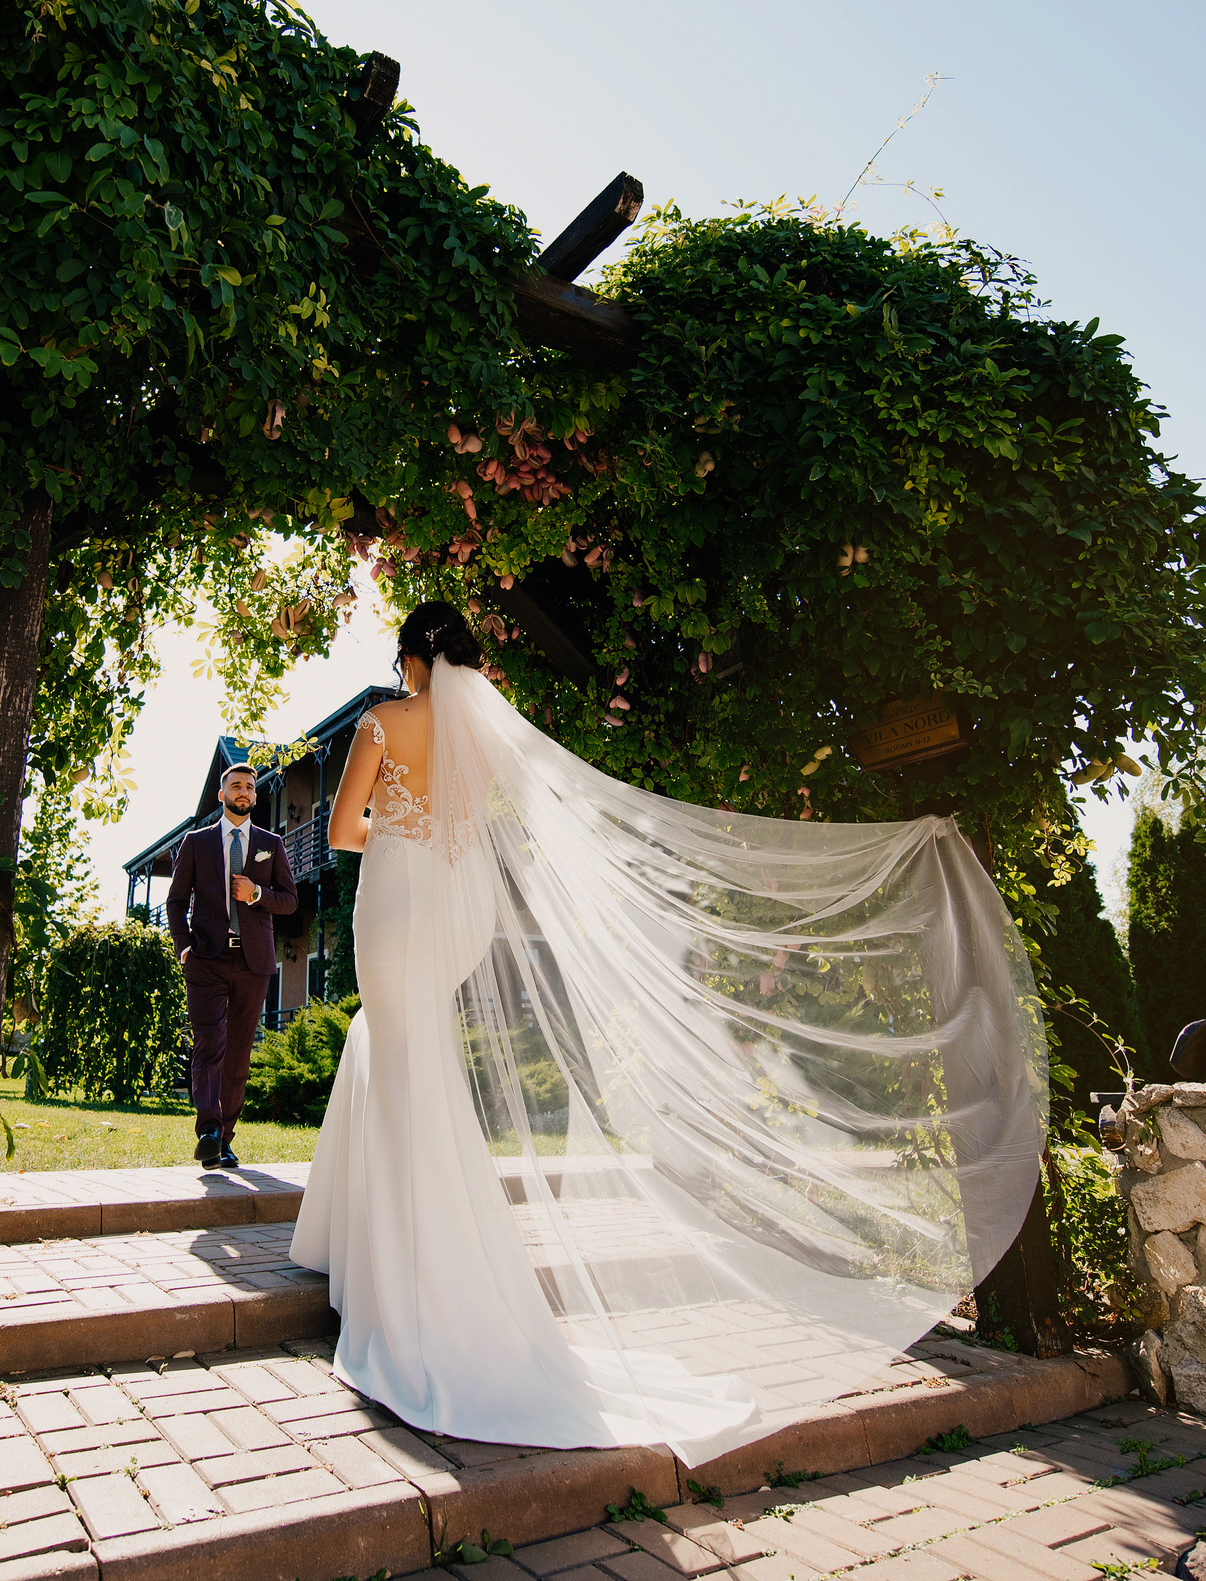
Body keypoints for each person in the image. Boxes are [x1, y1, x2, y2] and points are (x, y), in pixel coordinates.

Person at [291, 602, 1044, 1467]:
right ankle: (391, 1251)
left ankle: (400, 1274)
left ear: (412, 657)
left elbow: (343, 829)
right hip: (459, 911)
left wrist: (398, 824)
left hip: (396, 901)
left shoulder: (384, 721)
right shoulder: (485, 738)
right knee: (407, 1056)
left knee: (399, 1054)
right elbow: (489, 826)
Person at [162, 763, 298, 1170]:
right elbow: (175, 902)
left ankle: (224, 1138)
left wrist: (256, 893)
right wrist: (184, 948)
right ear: (222, 795)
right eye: (236, 786)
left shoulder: (271, 843)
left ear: (255, 796)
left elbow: (290, 901)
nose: (244, 791)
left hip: (254, 961)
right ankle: (208, 1131)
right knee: (209, 1044)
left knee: (238, 1054)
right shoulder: (196, 842)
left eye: (250, 787)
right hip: (206, 959)